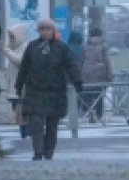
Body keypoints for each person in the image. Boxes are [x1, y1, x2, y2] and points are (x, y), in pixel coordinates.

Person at [15, 18, 81, 160]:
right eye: (42, 29)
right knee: (36, 123)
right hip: (35, 90)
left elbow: (71, 65)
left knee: (52, 124)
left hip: (55, 91)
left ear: (53, 31)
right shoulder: (32, 47)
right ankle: (38, 152)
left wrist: (77, 81)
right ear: (38, 31)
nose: (45, 32)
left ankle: (48, 151)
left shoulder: (62, 48)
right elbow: (24, 67)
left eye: (48, 29)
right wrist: (19, 85)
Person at [79, 27, 112, 123]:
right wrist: (110, 75)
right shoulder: (103, 46)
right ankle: (99, 114)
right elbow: (107, 61)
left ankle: (90, 113)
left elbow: (81, 61)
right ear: (101, 35)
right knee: (100, 94)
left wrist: (79, 73)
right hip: (100, 73)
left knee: (88, 94)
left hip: (87, 72)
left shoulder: (85, 46)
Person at [4, 23, 31, 138]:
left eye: (12, 36)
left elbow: (20, 61)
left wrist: (7, 51)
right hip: (14, 84)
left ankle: (26, 132)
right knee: (18, 110)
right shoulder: (14, 47)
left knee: (22, 109)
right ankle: (24, 131)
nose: (10, 39)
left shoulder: (25, 46)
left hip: (22, 85)